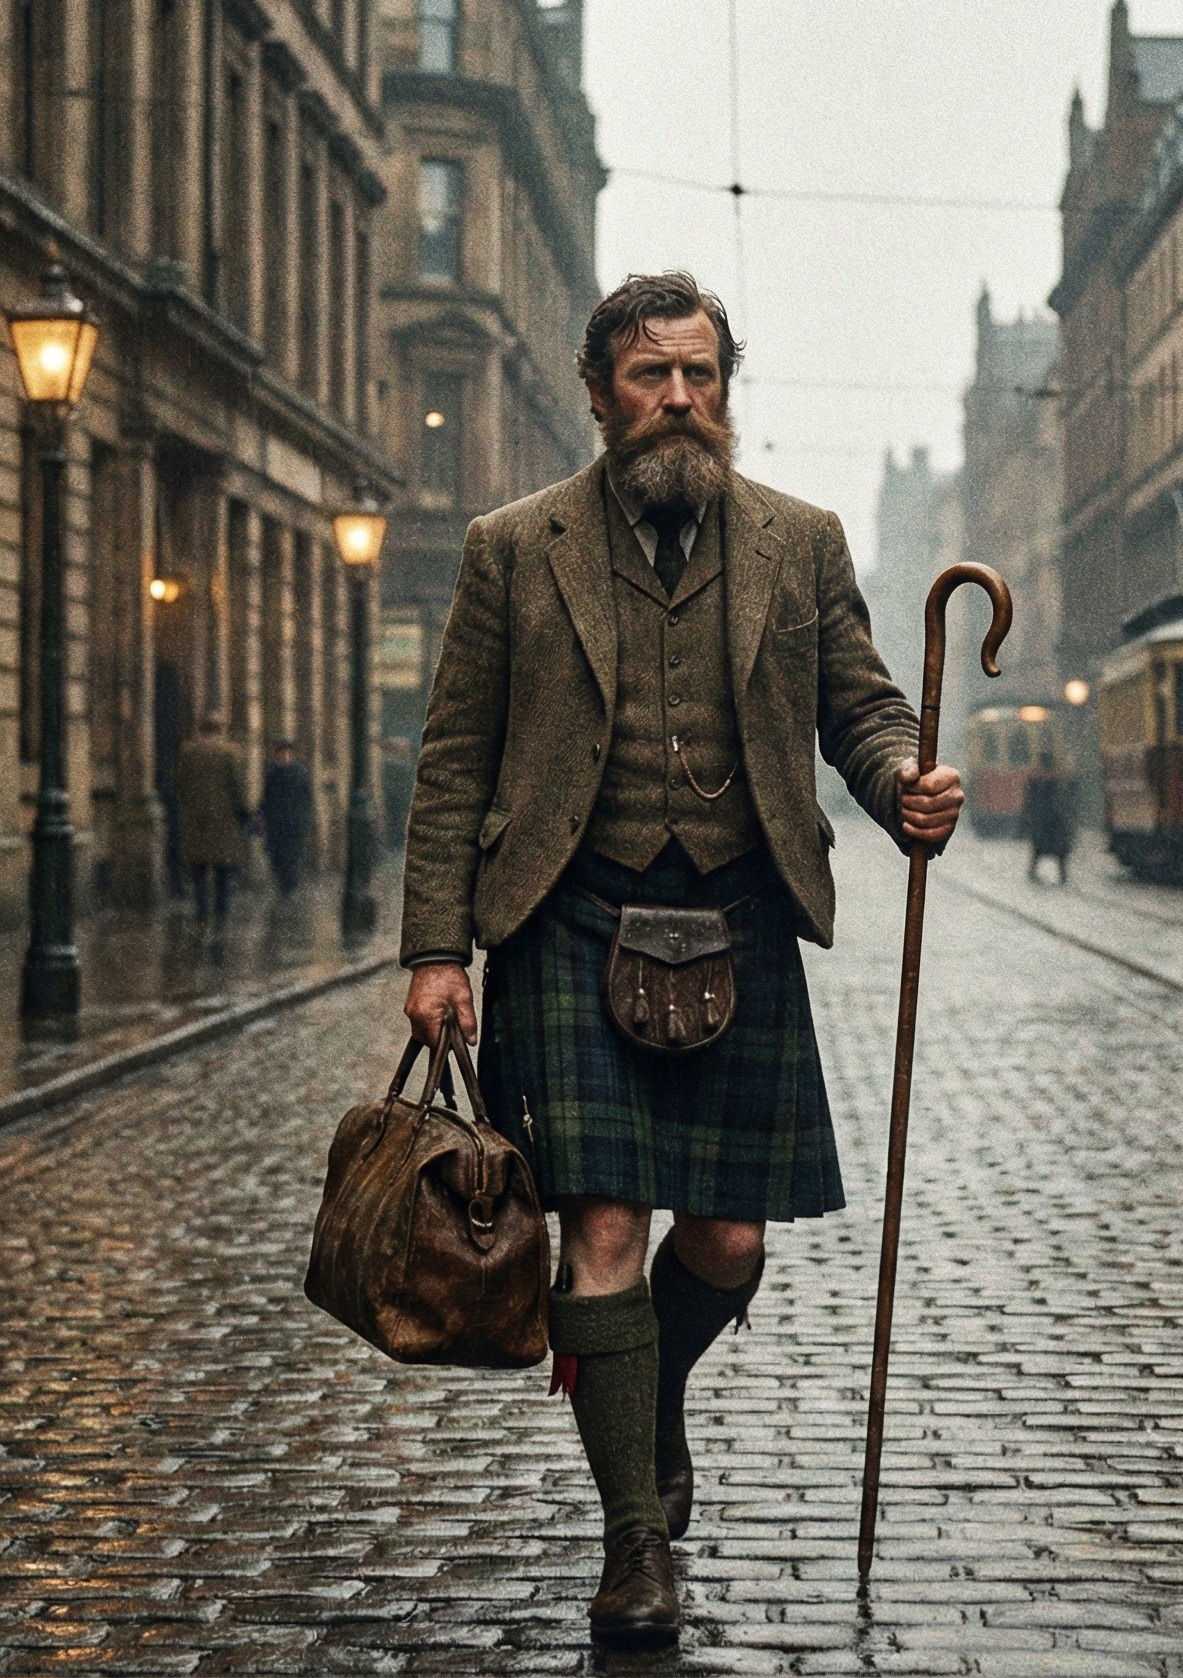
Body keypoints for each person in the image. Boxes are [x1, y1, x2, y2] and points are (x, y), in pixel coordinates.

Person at [398, 272, 964, 1650]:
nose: (678, 399)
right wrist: (435, 947)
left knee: (723, 1237)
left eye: (701, 375)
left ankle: (644, 1399)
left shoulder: (800, 543)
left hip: (737, 927)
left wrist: (899, 785)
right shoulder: (512, 548)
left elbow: (864, 706)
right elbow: (455, 759)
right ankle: (634, 1543)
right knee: (600, 1230)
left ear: (726, 387)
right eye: (650, 375)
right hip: (569, 920)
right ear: (600, 394)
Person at [172, 712, 248, 925]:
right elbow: (238, 787)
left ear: (200, 729)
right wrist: (243, 810)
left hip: (196, 821)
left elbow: (180, 785)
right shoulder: (230, 753)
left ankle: (202, 912)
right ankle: (221, 913)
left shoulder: (188, 752)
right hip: (224, 821)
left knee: (199, 870)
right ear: (220, 729)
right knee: (223, 870)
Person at [259, 739, 316, 894]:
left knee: (292, 857)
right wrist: (262, 816)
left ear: (291, 753)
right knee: (276, 857)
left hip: (294, 824)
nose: (284, 755)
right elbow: (266, 797)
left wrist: (305, 821)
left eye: (286, 752)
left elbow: (307, 799)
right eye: (281, 752)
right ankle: (284, 885)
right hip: (276, 824)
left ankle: (289, 886)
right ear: (276, 754)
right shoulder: (272, 773)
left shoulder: (300, 772)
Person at [1024, 767, 1073, 885]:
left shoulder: (1036, 783)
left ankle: (1034, 871)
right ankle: (1062, 875)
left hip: (1045, 823)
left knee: (1040, 849)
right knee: (1057, 850)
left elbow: (1030, 803)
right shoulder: (1057, 784)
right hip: (1052, 823)